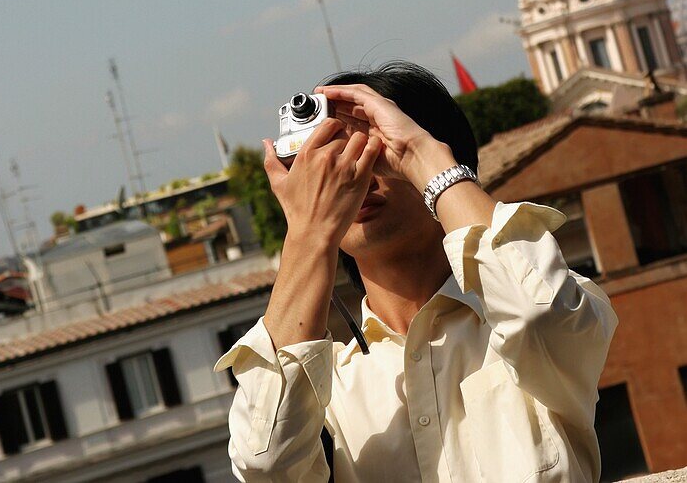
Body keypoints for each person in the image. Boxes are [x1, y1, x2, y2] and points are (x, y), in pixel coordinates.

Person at [215, 62, 617, 482]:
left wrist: (417, 153)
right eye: (336, 161)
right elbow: (265, 463)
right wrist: (308, 232)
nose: (361, 178)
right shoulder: (326, 384)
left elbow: (538, 315)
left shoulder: (542, 306)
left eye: (375, 152)